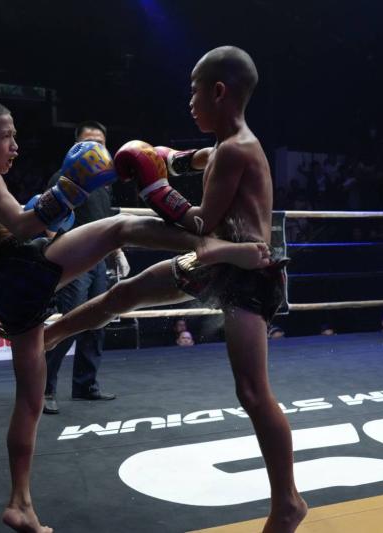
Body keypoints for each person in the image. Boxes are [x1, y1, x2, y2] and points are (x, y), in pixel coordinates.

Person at [0, 97, 270, 533]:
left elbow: (20, 226)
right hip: (22, 268)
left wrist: (56, 203)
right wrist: (70, 188)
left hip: (8, 286)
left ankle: (20, 503)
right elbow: (24, 226)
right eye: (6, 136)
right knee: (120, 228)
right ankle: (216, 244)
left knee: (29, 402)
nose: (15, 146)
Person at [42, 46, 307, 532]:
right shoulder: (224, 146)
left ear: (218, 92)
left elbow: (201, 223)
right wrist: (156, 157)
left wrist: (151, 185)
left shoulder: (237, 149)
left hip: (246, 273)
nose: (189, 101)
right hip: (213, 260)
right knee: (125, 293)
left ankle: (288, 502)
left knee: (252, 392)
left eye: (194, 91)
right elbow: (185, 160)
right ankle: (50, 335)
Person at [42, 121, 126, 415]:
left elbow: (106, 222)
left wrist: (117, 253)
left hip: (99, 260)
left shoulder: (103, 183)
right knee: (70, 323)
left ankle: (85, 385)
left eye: (100, 143)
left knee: (98, 320)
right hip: (74, 260)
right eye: (88, 142)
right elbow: (48, 221)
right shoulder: (63, 176)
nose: (95, 148)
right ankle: (45, 388)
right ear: (75, 146)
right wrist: (58, 256)